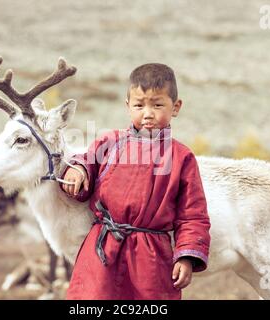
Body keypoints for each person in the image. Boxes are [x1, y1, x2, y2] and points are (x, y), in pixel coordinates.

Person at [60, 63, 211, 300]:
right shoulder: (110, 142)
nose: (148, 113)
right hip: (103, 250)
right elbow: (86, 163)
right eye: (139, 105)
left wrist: (186, 256)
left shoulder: (182, 157)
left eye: (158, 104)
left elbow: (193, 215)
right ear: (128, 106)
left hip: (151, 257)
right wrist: (77, 171)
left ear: (176, 107)